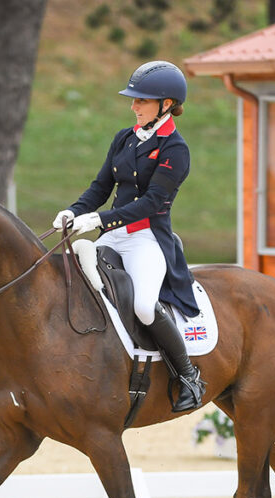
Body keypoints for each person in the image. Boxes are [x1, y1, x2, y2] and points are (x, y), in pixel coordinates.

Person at [53, 60, 205, 412]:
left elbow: (152, 202)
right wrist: (73, 211)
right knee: (76, 288)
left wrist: (99, 219)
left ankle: (188, 377)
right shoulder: (124, 138)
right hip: (112, 235)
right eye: (134, 100)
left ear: (166, 104)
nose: (133, 107)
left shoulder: (175, 149)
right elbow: (100, 187)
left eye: (141, 101)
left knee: (143, 307)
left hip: (146, 239)